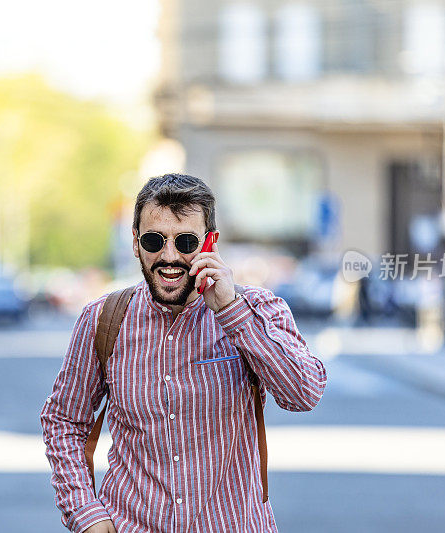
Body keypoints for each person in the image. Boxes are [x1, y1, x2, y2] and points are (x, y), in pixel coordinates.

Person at [41, 174, 327, 532]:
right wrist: (87, 515)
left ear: (211, 243)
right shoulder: (103, 319)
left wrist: (231, 311)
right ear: (135, 243)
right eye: (154, 240)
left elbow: (304, 393)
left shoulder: (258, 310)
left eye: (186, 241)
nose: (170, 256)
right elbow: (64, 421)